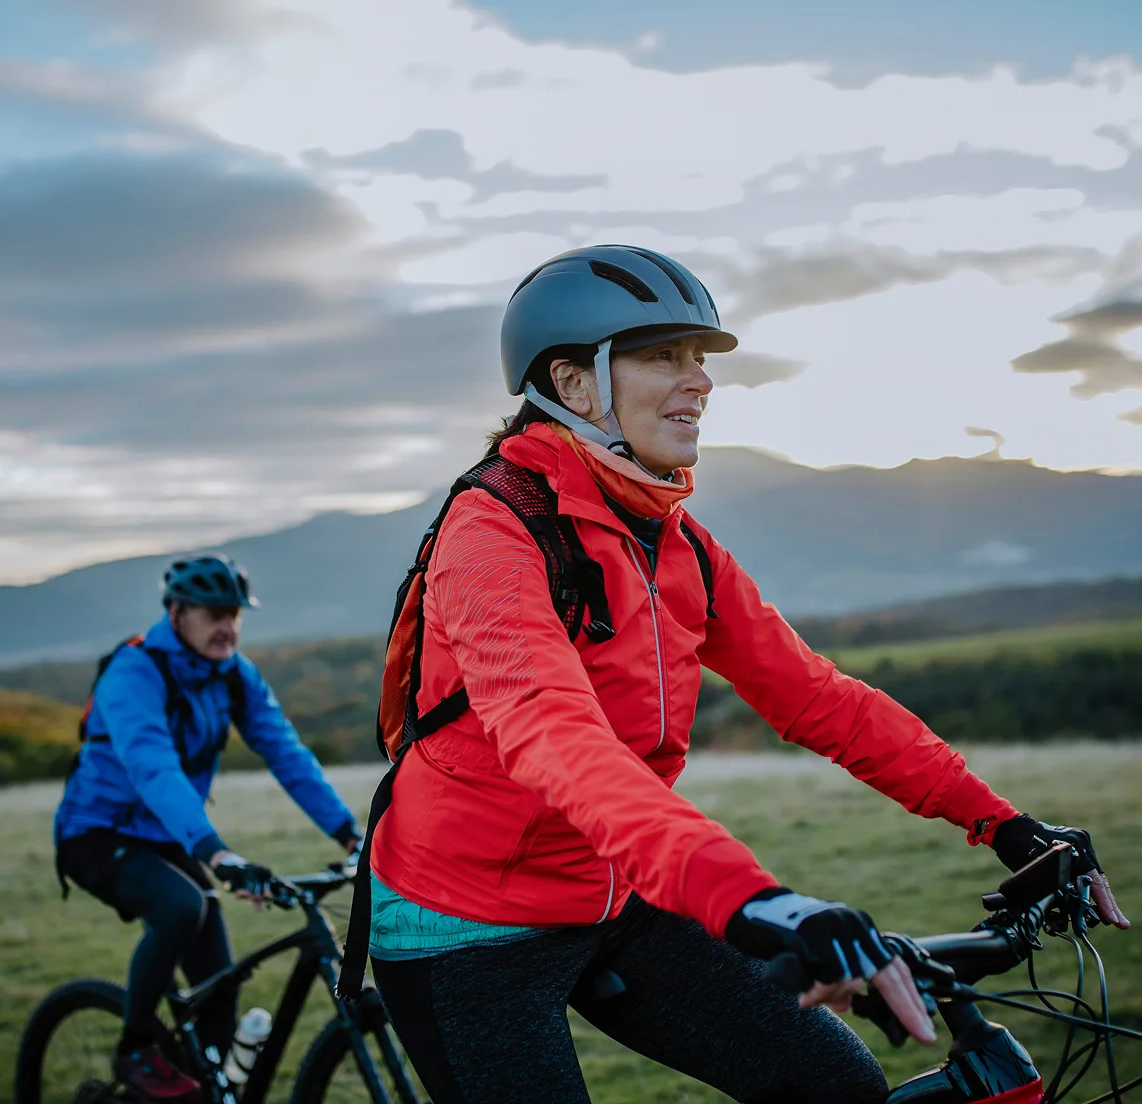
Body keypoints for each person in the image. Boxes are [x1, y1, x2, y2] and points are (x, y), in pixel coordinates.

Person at [365, 245, 1129, 1104]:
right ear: (575, 386)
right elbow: (553, 736)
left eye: (700, 358)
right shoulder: (494, 532)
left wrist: (1003, 823)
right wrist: (754, 901)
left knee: (832, 1082)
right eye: (663, 356)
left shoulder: (673, 540)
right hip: (465, 918)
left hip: (617, 887)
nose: (699, 381)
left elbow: (818, 698)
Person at [54, 553, 361, 1102]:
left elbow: (286, 752)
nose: (228, 626)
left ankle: (201, 1083)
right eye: (214, 613)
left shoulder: (233, 675)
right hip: (96, 832)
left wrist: (349, 832)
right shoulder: (134, 673)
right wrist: (216, 853)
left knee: (218, 980)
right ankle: (135, 1047)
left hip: (164, 835)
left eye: (236, 614)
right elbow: (154, 768)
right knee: (181, 907)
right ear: (176, 613)